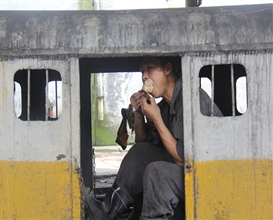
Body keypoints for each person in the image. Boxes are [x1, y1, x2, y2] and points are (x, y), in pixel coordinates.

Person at [84, 57, 223, 220]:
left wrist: (156, 118)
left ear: (168, 69)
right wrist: (138, 113)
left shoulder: (190, 98)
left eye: (150, 68)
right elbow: (145, 145)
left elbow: (181, 158)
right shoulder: (164, 105)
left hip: (211, 176)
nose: (144, 76)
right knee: (140, 153)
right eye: (142, 71)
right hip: (189, 169)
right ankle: (106, 210)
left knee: (157, 172)